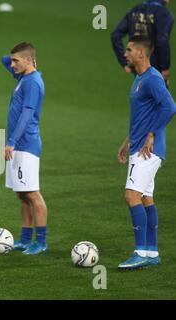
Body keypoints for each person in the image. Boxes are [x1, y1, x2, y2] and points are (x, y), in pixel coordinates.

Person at [117, 35, 176, 270]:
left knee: (131, 196)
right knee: (145, 198)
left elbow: (170, 107)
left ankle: (140, 252)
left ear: (141, 53)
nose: (125, 53)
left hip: (147, 150)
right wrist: (126, 141)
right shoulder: (140, 78)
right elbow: (143, 115)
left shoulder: (152, 78)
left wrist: (151, 134)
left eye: (129, 49)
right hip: (139, 145)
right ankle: (151, 252)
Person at [1, 42, 48, 255]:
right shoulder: (23, 77)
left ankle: (41, 241)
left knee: (32, 193)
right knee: (22, 194)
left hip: (25, 144)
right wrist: (18, 60)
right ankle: (25, 238)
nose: (11, 65)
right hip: (19, 144)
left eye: (16, 61)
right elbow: (4, 59)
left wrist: (11, 141)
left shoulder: (32, 83)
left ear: (28, 60)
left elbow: (27, 114)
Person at [111, 0, 174, 87]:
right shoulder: (164, 14)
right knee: (158, 98)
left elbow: (115, 35)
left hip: (137, 63)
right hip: (155, 66)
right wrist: (165, 67)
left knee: (141, 95)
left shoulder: (134, 10)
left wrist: (124, 62)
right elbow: (162, 40)